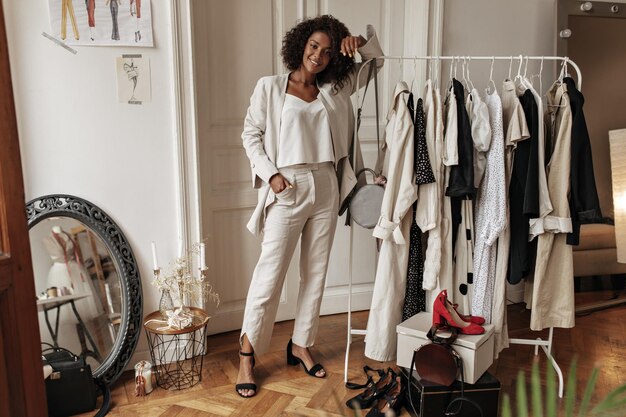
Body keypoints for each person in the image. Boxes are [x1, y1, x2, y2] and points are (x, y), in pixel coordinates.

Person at [237, 15, 383, 398]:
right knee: (270, 275)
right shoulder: (270, 88)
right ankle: (246, 354)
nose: (317, 55)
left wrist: (358, 45)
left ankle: (300, 344)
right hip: (286, 185)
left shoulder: (335, 88)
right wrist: (270, 175)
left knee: (315, 272)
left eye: (327, 51)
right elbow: (251, 134)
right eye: (314, 46)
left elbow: (376, 61)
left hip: (325, 185)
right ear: (301, 44)